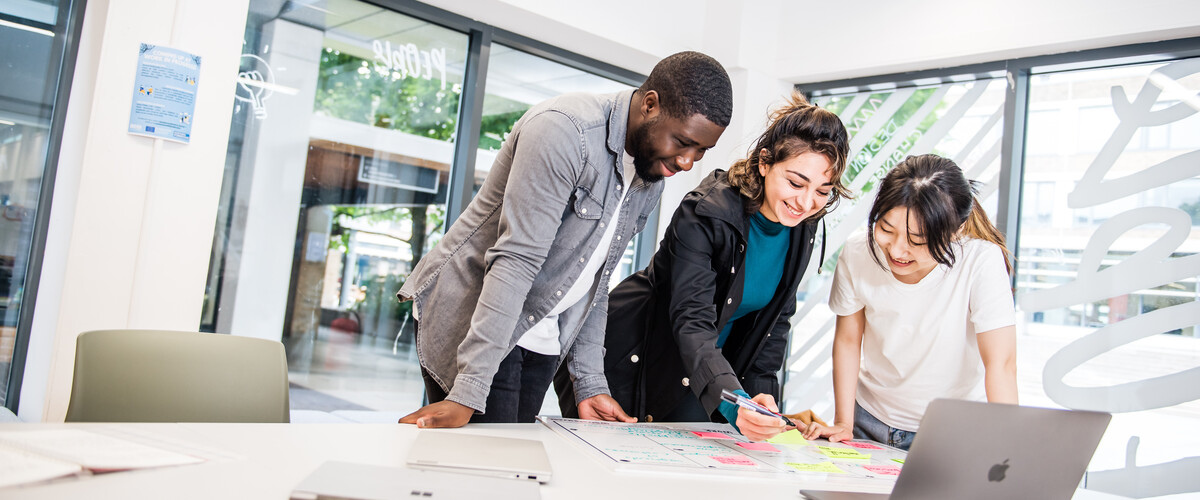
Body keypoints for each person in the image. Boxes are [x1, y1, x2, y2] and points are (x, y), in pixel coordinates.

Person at [396, 51, 733, 428]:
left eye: (701, 151)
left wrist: (589, 382)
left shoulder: (650, 175)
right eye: (682, 142)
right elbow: (516, 261)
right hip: (479, 320)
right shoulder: (564, 130)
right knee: (488, 476)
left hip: (543, 334)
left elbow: (596, 281)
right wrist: (468, 389)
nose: (687, 162)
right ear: (651, 104)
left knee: (514, 473)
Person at [557, 93, 850, 442]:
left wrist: (761, 403)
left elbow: (774, 322)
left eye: (823, 191)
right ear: (765, 163)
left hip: (705, 371)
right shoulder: (707, 212)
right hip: (632, 356)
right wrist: (733, 400)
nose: (805, 203)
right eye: (796, 183)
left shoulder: (802, 225)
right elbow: (691, 319)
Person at [802, 154, 1018, 450]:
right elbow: (849, 341)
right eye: (886, 229)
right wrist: (844, 421)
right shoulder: (858, 252)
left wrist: (1008, 451)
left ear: (954, 232)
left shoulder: (980, 261)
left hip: (952, 432)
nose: (897, 250)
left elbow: (1001, 363)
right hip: (870, 420)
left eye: (917, 240)